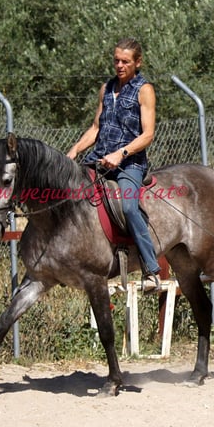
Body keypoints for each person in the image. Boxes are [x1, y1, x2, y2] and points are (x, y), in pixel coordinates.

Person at [67, 37, 161, 292]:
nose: (119, 65)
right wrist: (75, 149)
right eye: (116, 60)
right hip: (98, 160)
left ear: (137, 62)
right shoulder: (106, 89)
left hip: (129, 165)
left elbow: (148, 134)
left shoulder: (144, 90)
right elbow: (96, 128)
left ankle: (151, 269)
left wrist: (121, 153)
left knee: (129, 207)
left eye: (125, 61)